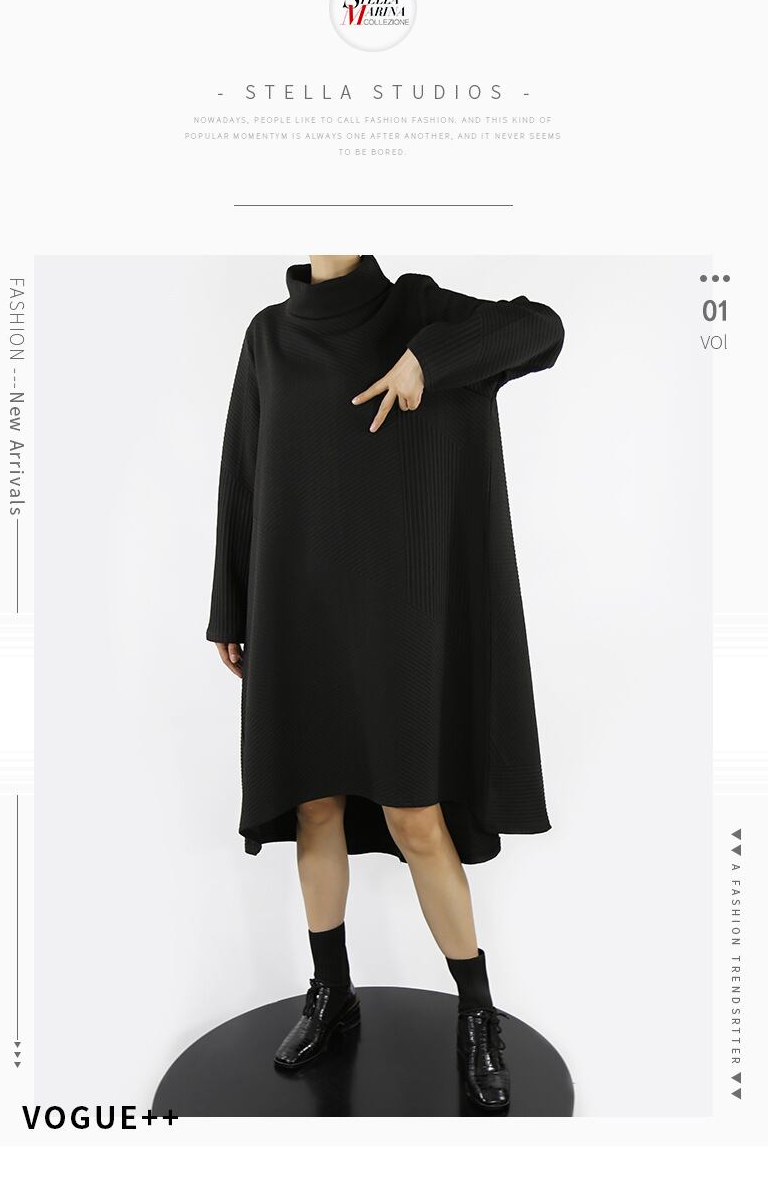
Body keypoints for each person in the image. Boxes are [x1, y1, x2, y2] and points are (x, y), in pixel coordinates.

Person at [207, 255, 565, 1111]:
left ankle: (477, 1012)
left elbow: (542, 328)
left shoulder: (418, 310)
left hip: (399, 623)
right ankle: (331, 992)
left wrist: (427, 363)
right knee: (313, 804)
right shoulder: (267, 337)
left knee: (415, 817)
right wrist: (230, 608)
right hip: (299, 612)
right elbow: (243, 472)